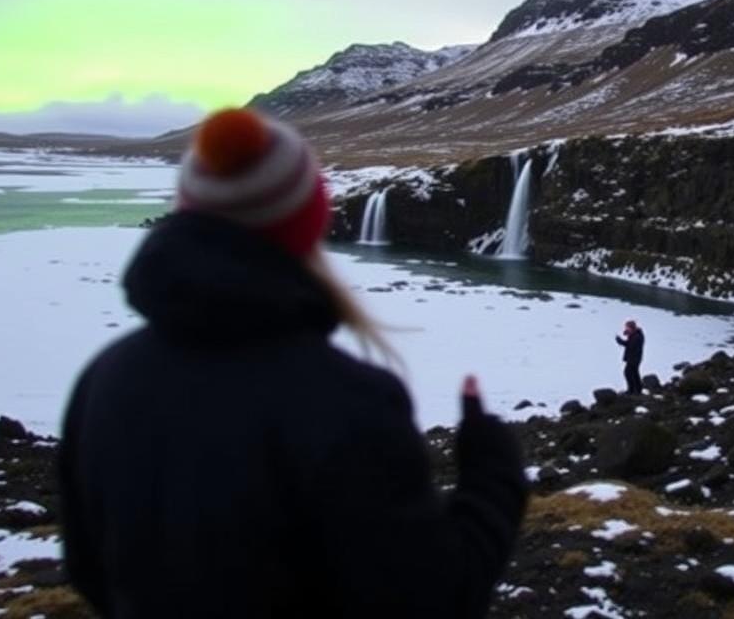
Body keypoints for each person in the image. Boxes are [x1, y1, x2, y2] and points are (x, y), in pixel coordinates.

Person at [58, 108, 528, 618]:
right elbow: (434, 599)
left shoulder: (105, 378)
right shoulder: (349, 402)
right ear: (309, 222)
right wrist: (492, 470)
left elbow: (88, 568)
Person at [615, 319, 645, 394]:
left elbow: (630, 345)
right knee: (634, 373)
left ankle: (631, 390)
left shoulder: (637, 336)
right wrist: (628, 335)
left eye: (627, 327)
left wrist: (620, 341)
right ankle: (637, 389)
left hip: (634, 359)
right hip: (635, 358)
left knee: (628, 373)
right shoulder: (636, 334)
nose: (626, 329)